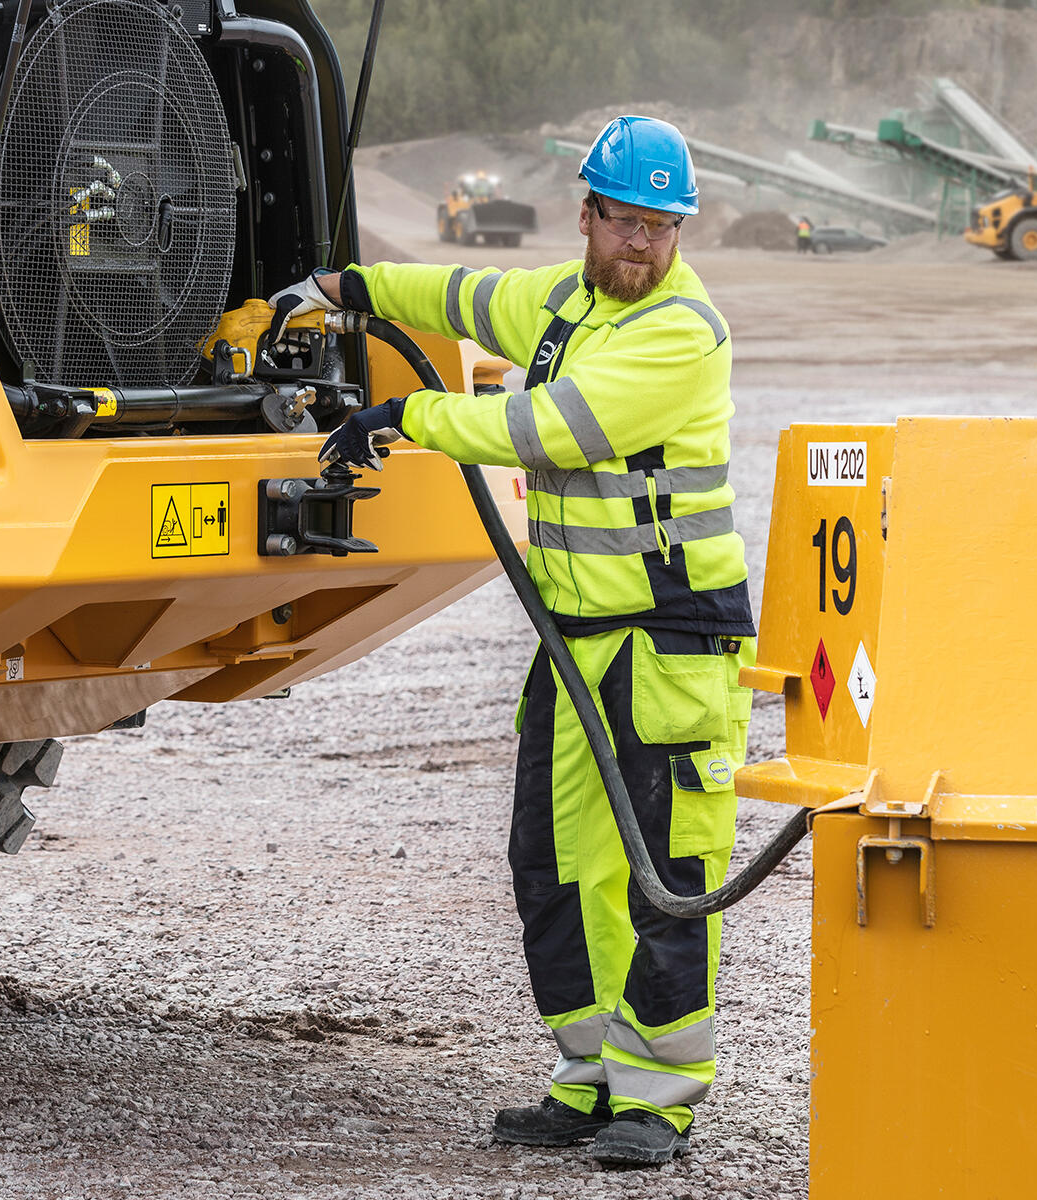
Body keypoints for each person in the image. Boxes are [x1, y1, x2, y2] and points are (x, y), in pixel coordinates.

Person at [267, 115, 754, 1168]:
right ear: (587, 216)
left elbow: (546, 427)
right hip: (576, 636)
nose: (642, 244)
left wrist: (406, 418)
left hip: (667, 642)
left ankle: (658, 1101)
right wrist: (340, 288)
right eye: (625, 222)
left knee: (660, 868)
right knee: (554, 861)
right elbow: (457, 295)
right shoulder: (562, 301)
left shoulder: (681, 333)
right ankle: (590, 1078)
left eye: (662, 227)